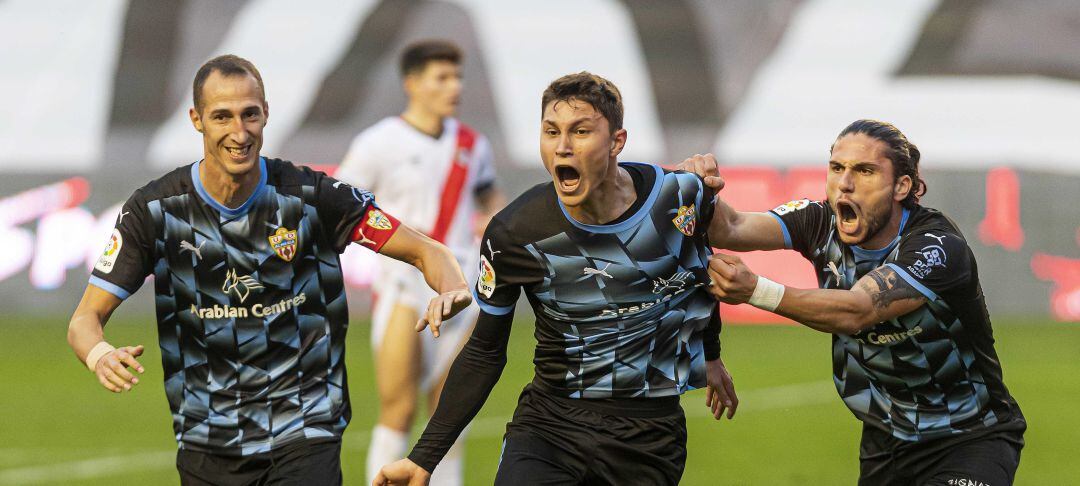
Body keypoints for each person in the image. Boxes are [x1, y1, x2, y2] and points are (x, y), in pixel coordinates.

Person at [66, 54, 472, 486]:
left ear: (266, 114)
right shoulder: (155, 211)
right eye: (222, 117)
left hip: (305, 431)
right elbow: (84, 320)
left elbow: (426, 251)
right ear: (196, 119)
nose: (239, 133)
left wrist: (453, 286)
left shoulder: (315, 198)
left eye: (250, 115)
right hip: (207, 440)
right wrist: (99, 353)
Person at [373, 72, 738, 486]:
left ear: (617, 141)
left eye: (580, 131)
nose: (562, 146)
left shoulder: (678, 197)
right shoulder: (515, 233)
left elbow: (699, 278)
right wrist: (423, 459)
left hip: (649, 437)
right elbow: (484, 351)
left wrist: (710, 353)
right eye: (551, 131)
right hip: (550, 428)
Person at [682, 119, 1025, 485]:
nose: (845, 183)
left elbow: (858, 311)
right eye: (837, 168)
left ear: (901, 186)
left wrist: (755, 291)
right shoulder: (818, 221)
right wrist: (697, 188)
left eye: (865, 171)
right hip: (885, 442)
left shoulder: (936, 246)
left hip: (970, 437)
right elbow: (730, 227)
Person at [335, 40, 504, 486]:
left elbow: (489, 196)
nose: (455, 86)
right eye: (442, 77)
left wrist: (496, 221)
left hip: (461, 288)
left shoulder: (473, 144)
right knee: (399, 406)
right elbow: (338, 202)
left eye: (458, 77)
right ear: (413, 83)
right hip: (402, 286)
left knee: (448, 413)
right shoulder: (377, 142)